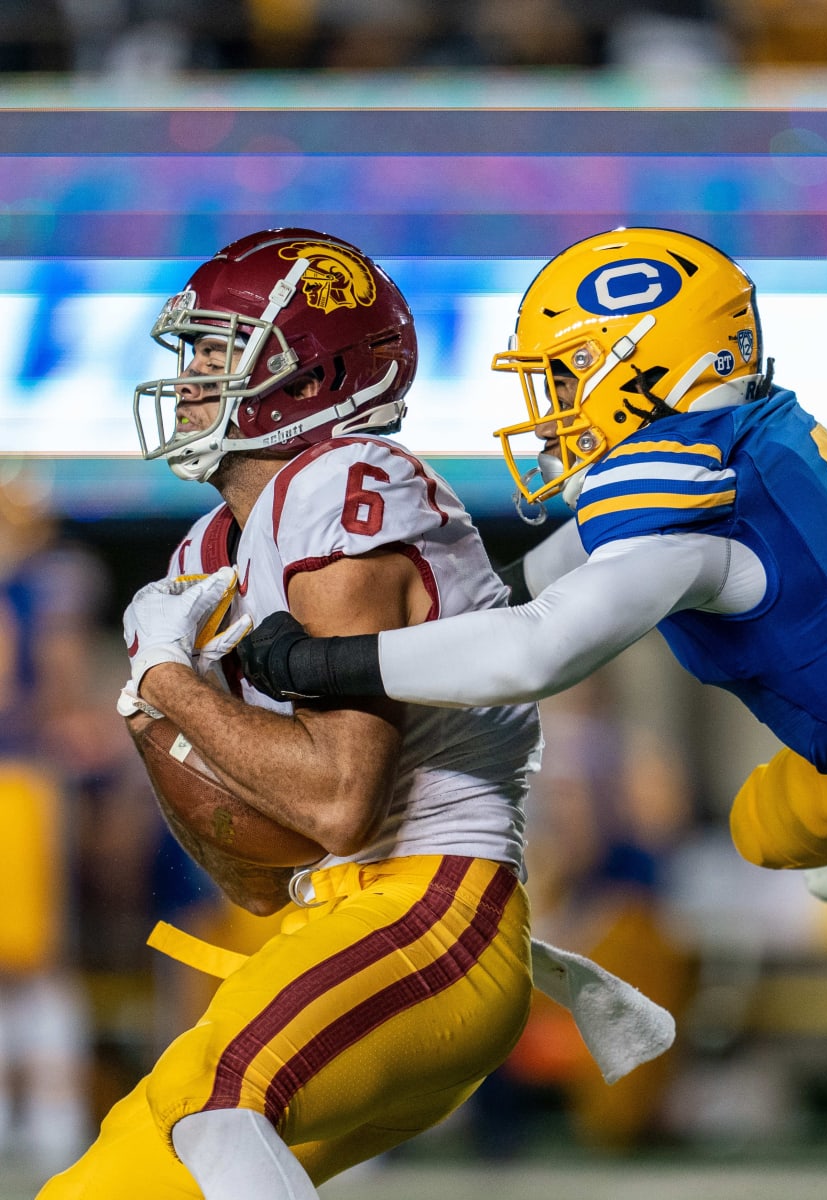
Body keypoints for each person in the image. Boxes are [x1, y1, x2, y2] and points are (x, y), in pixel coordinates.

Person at [174, 228, 827, 1094]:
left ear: (653, 366)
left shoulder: (686, 505)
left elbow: (540, 647)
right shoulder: (718, 443)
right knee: (762, 824)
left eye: (570, 373)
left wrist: (332, 659)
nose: (555, 404)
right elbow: (527, 588)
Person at [39, 228, 670, 1200]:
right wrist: (150, 713)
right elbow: (256, 874)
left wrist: (169, 684)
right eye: (195, 353)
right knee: (115, 1182)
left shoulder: (340, 486)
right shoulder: (212, 545)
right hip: (333, 925)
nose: (193, 377)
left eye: (221, 351)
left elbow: (340, 803)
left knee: (220, 1097)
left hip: (434, 918)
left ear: (312, 373)